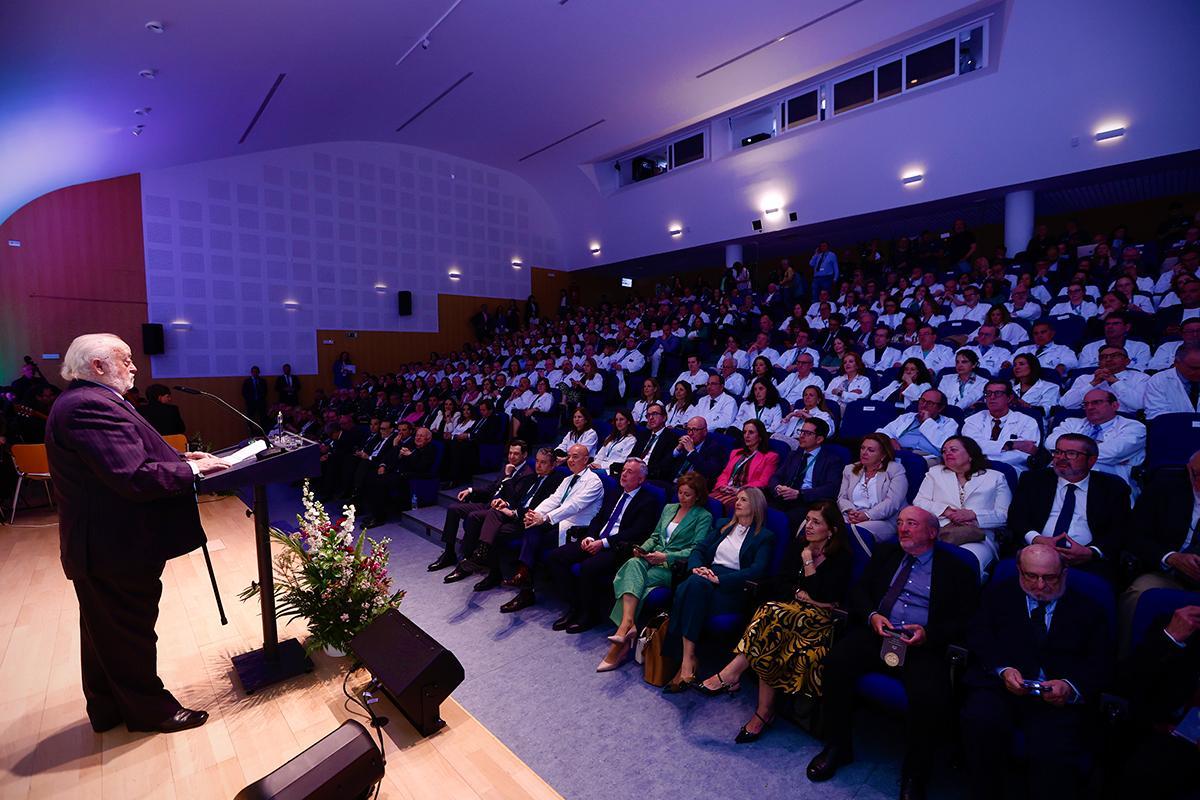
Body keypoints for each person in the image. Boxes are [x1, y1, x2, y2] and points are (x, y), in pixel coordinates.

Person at [44, 333, 229, 734]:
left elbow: (127, 455)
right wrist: (194, 471)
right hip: (113, 545)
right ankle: (151, 711)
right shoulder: (88, 406)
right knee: (129, 632)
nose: (133, 367)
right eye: (125, 360)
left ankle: (108, 708)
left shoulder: (89, 401)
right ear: (97, 366)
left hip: (106, 543)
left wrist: (182, 458)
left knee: (104, 632)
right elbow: (131, 476)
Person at [807, 507, 979, 797]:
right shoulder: (887, 553)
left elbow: (967, 619)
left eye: (912, 524)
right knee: (836, 664)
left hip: (922, 644)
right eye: (899, 523)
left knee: (929, 696)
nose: (903, 528)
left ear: (932, 533)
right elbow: (860, 592)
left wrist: (929, 634)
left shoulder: (956, 569)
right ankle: (838, 746)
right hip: (879, 631)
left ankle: (915, 773)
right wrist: (872, 615)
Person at [960, 544, 1112, 800]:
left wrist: (1070, 686)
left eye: (1049, 577)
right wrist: (1003, 669)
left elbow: (1101, 662)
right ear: (1019, 571)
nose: (1040, 586)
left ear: (1064, 573)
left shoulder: (1089, 609)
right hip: (1004, 686)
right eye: (1031, 576)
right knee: (980, 720)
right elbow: (980, 636)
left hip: (1056, 698)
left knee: (1052, 754)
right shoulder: (1000, 594)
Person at [695, 500, 853, 741]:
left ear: (831, 530)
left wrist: (809, 562)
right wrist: (803, 594)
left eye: (816, 522)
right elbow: (781, 583)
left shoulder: (841, 558)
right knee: (771, 622)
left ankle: (732, 676)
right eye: (807, 520)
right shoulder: (797, 546)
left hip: (820, 624)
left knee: (770, 614)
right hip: (788, 612)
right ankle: (763, 711)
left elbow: (826, 596)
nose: (808, 526)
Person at [660, 487, 777, 691]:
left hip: (732, 586)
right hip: (706, 576)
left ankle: (685, 662)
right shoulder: (723, 525)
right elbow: (699, 549)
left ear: (756, 506)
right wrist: (697, 567)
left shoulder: (764, 536)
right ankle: (688, 661)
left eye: (743, 500)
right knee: (694, 584)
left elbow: (756, 570)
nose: (737, 503)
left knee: (687, 589)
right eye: (737, 499)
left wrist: (719, 580)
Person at [600, 472, 714, 670]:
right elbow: (655, 536)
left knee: (633, 583)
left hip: (671, 567)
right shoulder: (669, 508)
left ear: (697, 496)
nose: (682, 497)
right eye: (680, 492)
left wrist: (666, 557)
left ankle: (619, 644)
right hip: (651, 557)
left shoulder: (704, 516)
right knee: (633, 563)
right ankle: (628, 624)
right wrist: (643, 549)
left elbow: (696, 549)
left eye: (687, 494)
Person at [544, 457, 661, 633]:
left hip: (618, 547)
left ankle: (589, 615)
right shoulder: (615, 492)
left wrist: (603, 543)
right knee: (556, 557)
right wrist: (590, 536)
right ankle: (574, 606)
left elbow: (636, 532)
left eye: (630, 472)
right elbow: (599, 518)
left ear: (641, 479)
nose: (624, 475)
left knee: (588, 567)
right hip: (597, 539)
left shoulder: (648, 500)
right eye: (623, 470)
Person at [1008, 433, 1131, 583]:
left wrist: (1091, 552)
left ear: (1091, 460)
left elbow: (1121, 530)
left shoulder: (1112, 488)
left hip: (1088, 561)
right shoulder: (1033, 480)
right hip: (1034, 553)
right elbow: (1016, 517)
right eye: (1058, 452)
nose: (1061, 458)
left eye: (1071, 454)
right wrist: (1037, 539)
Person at [498, 443, 604, 613]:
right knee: (532, 529)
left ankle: (525, 581)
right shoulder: (568, 479)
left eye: (575, 456)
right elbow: (554, 499)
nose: (570, 460)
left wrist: (545, 517)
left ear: (586, 459)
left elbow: (574, 506)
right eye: (569, 456)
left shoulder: (594, 481)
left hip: (577, 529)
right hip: (559, 523)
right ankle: (525, 581)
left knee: (534, 535)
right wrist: (535, 513)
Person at [1117, 603, 1200, 799]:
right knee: (1142, 772)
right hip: (1173, 734)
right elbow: (1125, 685)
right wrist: (1170, 638)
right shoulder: (1180, 624)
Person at [455, 448, 563, 590]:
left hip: (530, 521)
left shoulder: (556, 481)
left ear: (553, 464)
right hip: (516, 516)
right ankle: (483, 556)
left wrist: (513, 512)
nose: (538, 465)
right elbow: (515, 498)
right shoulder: (532, 478)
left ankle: (486, 562)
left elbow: (539, 507)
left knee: (495, 529)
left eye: (543, 462)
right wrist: (505, 503)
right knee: (494, 516)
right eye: (537, 461)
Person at [1118, 451, 1200, 639]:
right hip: (1170, 573)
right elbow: (1134, 534)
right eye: (1198, 475)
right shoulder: (1166, 486)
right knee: (1138, 594)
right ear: (1188, 470)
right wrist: (1171, 557)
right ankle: (1126, 660)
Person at [428, 439, 532, 573]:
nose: (511, 456)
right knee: (453, 509)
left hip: (500, 511)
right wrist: (471, 490)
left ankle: (466, 561)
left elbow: (515, 498)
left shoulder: (528, 474)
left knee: (473, 517)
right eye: (510, 453)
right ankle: (449, 552)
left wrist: (507, 477)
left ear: (524, 455)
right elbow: (492, 488)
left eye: (516, 454)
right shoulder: (507, 466)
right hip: (488, 504)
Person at [913, 436, 1011, 576]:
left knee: (963, 563)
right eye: (944, 451)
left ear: (970, 454)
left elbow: (1004, 515)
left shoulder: (996, 477)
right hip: (940, 532)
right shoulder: (935, 473)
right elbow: (919, 502)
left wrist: (974, 514)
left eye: (953, 450)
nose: (947, 453)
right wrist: (945, 511)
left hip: (978, 535)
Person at [1045, 389, 1145, 488]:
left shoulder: (1133, 427)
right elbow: (1050, 443)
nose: (1090, 407)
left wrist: (1066, 453)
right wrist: (1097, 450)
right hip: (1061, 477)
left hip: (1110, 482)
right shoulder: (1071, 423)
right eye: (1086, 404)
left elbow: (1114, 452)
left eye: (1097, 402)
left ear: (1115, 405)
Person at [767, 418, 847, 530]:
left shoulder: (831, 460)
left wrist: (800, 494)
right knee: (760, 510)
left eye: (807, 433)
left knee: (787, 519)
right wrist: (777, 487)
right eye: (801, 431)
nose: (801, 436)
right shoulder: (793, 455)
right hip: (784, 497)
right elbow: (776, 477)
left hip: (808, 502)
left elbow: (831, 488)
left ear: (819, 439)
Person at [836, 432, 908, 543]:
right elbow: (842, 497)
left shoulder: (895, 470)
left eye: (871, 450)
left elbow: (893, 502)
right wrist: (851, 512)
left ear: (883, 455)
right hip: (852, 516)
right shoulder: (850, 469)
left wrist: (867, 515)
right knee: (826, 525)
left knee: (853, 531)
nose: (864, 453)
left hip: (884, 521)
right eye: (862, 448)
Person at [961, 381, 1041, 475]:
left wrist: (986, 458)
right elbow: (971, 446)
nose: (992, 397)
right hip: (976, 468)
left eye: (998, 393)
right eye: (988, 393)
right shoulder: (972, 420)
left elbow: (1024, 454)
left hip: (1011, 470)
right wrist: (1011, 444)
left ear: (1009, 398)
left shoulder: (1028, 422)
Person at [363, 426, 437, 527]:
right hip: (398, 472)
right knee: (372, 478)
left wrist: (410, 455)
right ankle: (374, 513)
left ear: (428, 439)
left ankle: (379, 518)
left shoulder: (430, 449)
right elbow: (393, 457)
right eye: (417, 435)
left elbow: (422, 467)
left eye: (421, 436)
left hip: (412, 475)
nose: (418, 438)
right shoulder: (411, 445)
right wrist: (389, 458)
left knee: (380, 483)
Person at [711, 419, 780, 510]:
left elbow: (763, 482)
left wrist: (740, 490)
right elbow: (725, 474)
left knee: (720, 506)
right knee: (704, 501)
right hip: (726, 490)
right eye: (744, 432)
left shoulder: (770, 457)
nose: (746, 435)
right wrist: (723, 486)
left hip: (746, 495)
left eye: (751, 432)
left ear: (760, 436)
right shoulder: (735, 453)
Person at [1059, 345, 1149, 411]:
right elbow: (1066, 404)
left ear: (1127, 361)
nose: (1108, 359)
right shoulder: (1084, 379)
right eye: (1103, 357)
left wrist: (1115, 382)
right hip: (1087, 419)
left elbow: (1139, 406)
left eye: (1115, 356)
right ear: (1098, 363)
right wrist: (1093, 384)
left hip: (1124, 421)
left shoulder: (1140, 378)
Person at [1077, 310, 1152, 371]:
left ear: (1127, 327)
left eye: (1116, 324)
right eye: (1107, 324)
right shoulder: (1089, 347)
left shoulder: (1141, 347)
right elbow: (1083, 371)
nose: (1110, 327)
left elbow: (1141, 371)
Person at [1143, 341, 1200, 417]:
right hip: (1172, 427)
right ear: (1176, 363)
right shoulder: (1158, 380)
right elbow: (1156, 414)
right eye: (1194, 368)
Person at [667, 416, 726, 485]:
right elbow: (663, 467)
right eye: (688, 429)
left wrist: (691, 452)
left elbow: (709, 472)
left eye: (694, 430)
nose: (690, 433)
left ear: (705, 432)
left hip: (693, 488)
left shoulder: (715, 448)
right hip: (672, 482)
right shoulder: (684, 444)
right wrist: (677, 450)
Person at [631, 402, 681, 481]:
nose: (651, 418)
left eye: (654, 414)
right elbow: (632, 455)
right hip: (634, 472)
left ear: (664, 417)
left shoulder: (671, 437)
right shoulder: (644, 435)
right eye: (648, 415)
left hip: (651, 476)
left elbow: (663, 465)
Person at [1014, 321, 1079, 374]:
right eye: (1036, 333)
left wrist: (1061, 366)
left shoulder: (1063, 349)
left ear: (1052, 333)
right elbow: (1009, 363)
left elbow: (1072, 362)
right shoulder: (1023, 349)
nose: (1039, 336)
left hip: (1050, 382)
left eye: (1043, 332)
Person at [241, 365, 269, 432]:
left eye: (256, 372)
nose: (255, 373)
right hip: (251, 403)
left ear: (259, 372)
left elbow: (265, 391)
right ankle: (251, 432)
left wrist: (261, 398)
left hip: (261, 403)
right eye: (253, 372)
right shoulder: (247, 381)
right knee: (250, 418)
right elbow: (244, 392)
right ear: (251, 372)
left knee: (263, 419)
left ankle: (264, 432)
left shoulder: (262, 381)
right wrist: (250, 400)